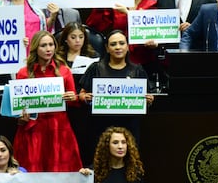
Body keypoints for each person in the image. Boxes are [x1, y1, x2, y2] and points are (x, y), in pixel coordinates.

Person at [79, 30, 154, 165]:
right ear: (107, 48)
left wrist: (149, 100)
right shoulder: (96, 68)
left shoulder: (138, 70)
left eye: (121, 43)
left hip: (129, 126)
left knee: (130, 164)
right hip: (101, 126)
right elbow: (82, 93)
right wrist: (85, 97)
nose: (118, 47)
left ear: (127, 46)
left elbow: (147, 97)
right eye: (113, 44)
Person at [13, 30, 83, 172]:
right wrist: (20, 116)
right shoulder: (23, 73)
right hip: (33, 128)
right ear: (35, 48)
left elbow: (74, 102)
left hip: (58, 127)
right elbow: (18, 105)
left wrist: (73, 97)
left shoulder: (64, 71)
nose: (48, 49)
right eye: (43, 45)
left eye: (51, 44)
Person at [88, 0, 160, 91]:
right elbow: (96, 24)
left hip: (142, 58)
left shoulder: (152, 4)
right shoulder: (118, 3)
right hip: (117, 56)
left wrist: (128, 13)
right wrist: (101, 2)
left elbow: (146, 29)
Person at [56, 21, 100, 166]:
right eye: (73, 37)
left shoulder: (93, 56)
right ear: (66, 39)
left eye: (81, 37)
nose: (77, 41)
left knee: (86, 143)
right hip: (65, 108)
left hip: (86, 108)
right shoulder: (57, 59)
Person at [79, 126, 145, 183]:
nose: (120, 146)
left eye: (124, 142)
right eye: (115, 143)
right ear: (107, 146)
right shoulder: (95, 171)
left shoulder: (136, 172)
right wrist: (81, 178)